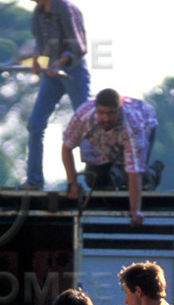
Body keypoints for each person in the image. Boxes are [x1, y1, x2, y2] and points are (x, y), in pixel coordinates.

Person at [20, 0, 90, 191]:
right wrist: (36, 62)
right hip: (51, 75)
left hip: (73, 72)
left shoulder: (65, 9)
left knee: (87, 123)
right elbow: (41, 46)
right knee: (35, 125)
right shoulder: (38, 13)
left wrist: (58, 64)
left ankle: (93, 179)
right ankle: (34, 180)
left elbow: (78, 47)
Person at [61, 89, 161, 226]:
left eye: (111, 113)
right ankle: (114, 179)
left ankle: (153, 173)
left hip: (142, 125)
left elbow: (134, 171)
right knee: (93, 179)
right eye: (101, 113)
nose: (106, 118)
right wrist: (72, 183)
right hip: (100, 138)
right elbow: (67, 147)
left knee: (130, 174)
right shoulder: (83, 116)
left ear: (119, 110)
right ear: (95, 109)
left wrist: (135, 210)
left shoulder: (133, 125)